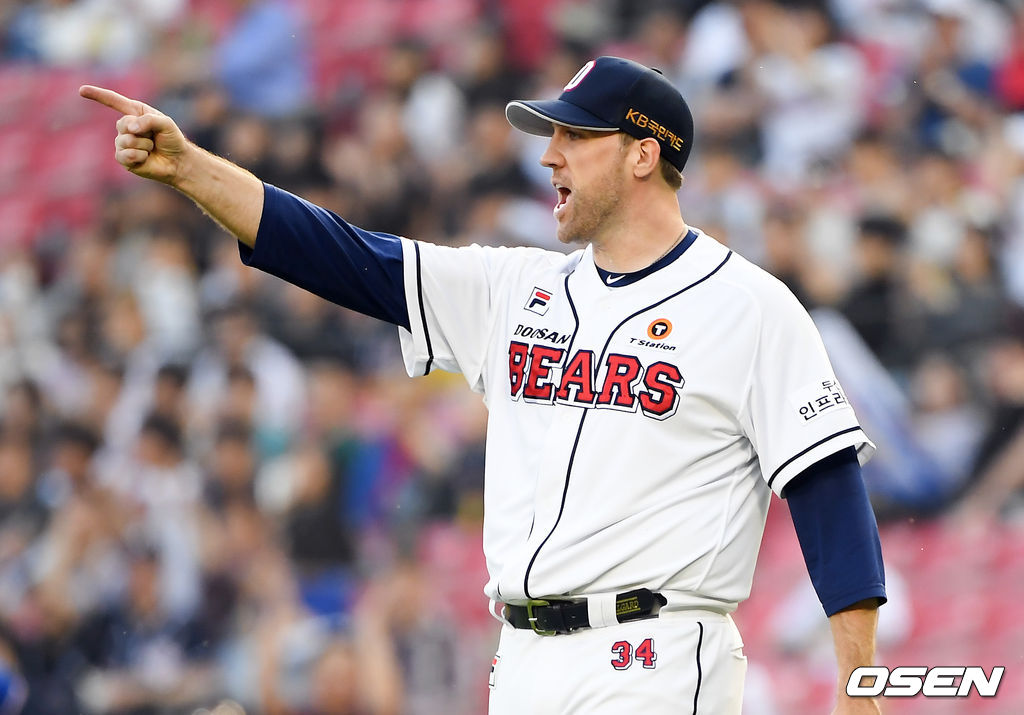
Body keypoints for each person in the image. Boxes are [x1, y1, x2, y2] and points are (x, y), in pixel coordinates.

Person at [81, 55, 886, 714]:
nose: (549, 154)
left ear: (645, 154)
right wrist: (191, 171)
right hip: (524, 661)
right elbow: (340, 255)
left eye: (575, 134)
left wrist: (860, 689)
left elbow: (827, 488)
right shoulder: (515, 288)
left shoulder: (747, 307)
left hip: (655, 658)